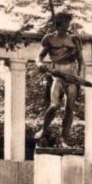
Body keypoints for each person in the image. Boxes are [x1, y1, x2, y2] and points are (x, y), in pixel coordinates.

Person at [35, 12, 86, 147]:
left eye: (68, 22)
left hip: (72, 77)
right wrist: (40, 65)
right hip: (57, 76)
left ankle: (64, 140)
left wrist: (81, 76)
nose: (68, 24)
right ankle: (44, 130)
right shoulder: (49, 39)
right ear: (58, 23)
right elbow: (38, 57)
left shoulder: (74, 39)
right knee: (55, 105)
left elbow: (81, 61)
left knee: (69, 108)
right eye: (65, 22)